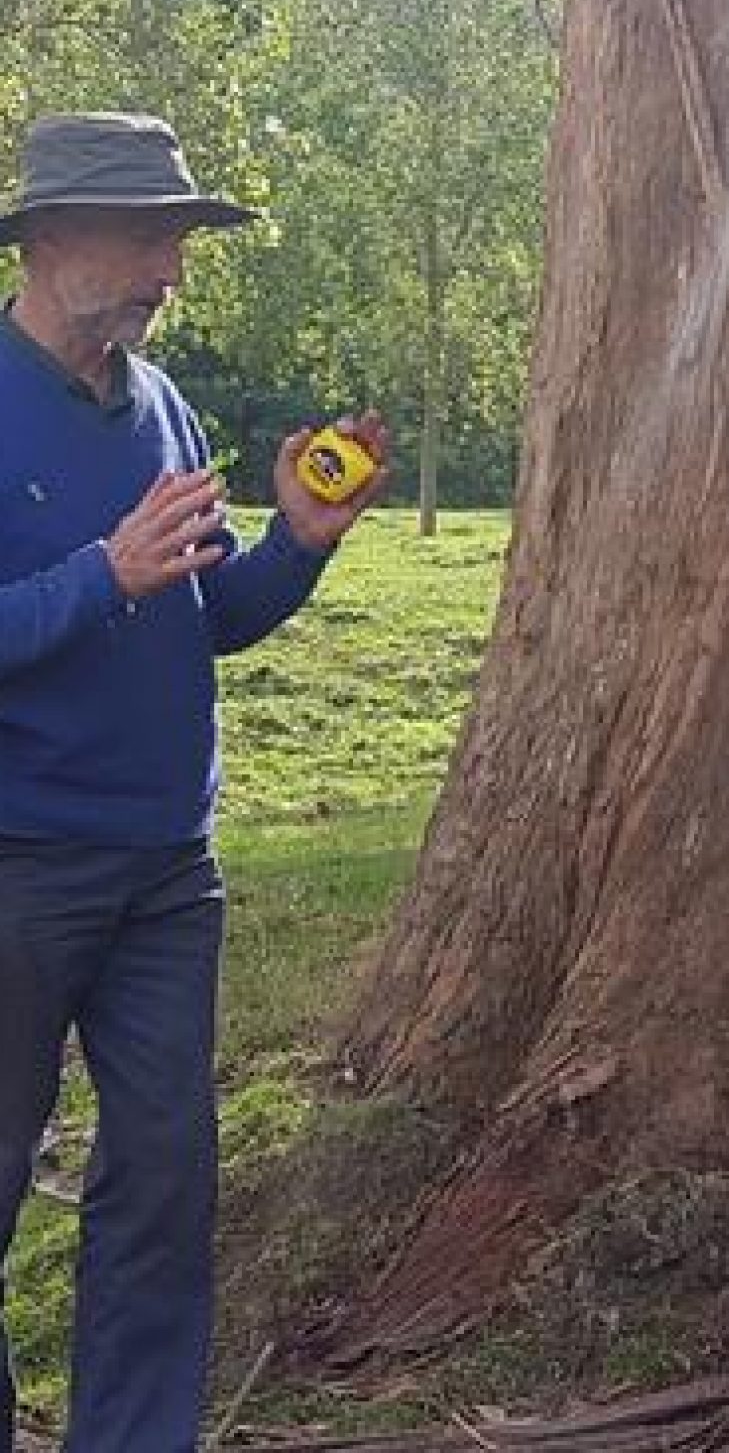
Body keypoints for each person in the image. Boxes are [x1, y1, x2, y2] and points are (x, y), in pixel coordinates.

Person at [0, 113, 390, 1453]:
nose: (174, 265)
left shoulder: (158, 400)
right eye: (150, 234)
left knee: (164, 1182)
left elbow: (201, 613)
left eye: (181, 237)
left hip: (170, 868)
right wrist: (98, 573)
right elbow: (107, 587)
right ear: (52, 240)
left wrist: (299, 543)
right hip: (20, 862)